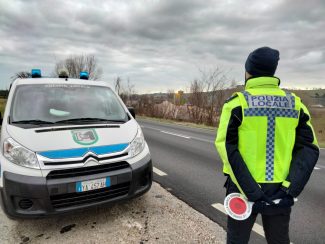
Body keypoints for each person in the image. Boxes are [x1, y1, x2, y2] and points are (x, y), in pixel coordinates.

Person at [215, 47, 320, 244]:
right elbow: (309, 149)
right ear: (273, 71)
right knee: (279, 240)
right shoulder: (295, 105)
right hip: (280, 190)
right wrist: (290, 189)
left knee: (237, 240)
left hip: (242, 189)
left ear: (248, 72)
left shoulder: (237, 104)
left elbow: (226, 148)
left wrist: (251, 190)